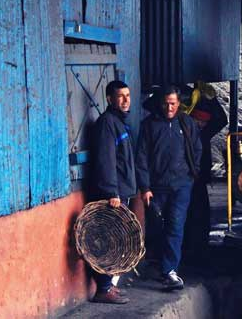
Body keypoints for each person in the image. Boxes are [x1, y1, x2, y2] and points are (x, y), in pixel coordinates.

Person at [136, 85, 203, 291]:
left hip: (182, 185)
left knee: (176, 225)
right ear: (159, 103)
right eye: (166, 103)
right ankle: (156, 261)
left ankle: (169, 271)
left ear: (179, 104)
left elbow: (197, 148)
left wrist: (192, 174)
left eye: (173, 103)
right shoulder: (149, 125)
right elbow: (141, 158)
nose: (169, 107)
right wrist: (145, 187)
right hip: (156, 187)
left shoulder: (187, 123)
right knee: (156, 225)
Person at [88, 80, 136, 304]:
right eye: (120, 96)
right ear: (109, 99)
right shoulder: (107, 123)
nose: (126, 100)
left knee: (116, 240)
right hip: (112, 195)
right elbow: (105, 160)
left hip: (122, 190)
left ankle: (108, 286)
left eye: (128, 95)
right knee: (108, 241)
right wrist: (111, 192)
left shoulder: (119, 122)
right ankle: (103, 289)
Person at [182, 82, 228, 255]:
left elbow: (222, 119)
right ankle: (191, 248)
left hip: (199, 178)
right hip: (184, 178)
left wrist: (213, 100)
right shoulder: (183, 130)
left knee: (199, 214)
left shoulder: (204, 132)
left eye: (203, 121)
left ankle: (199, 247)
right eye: (198, 120)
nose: (200, 124)